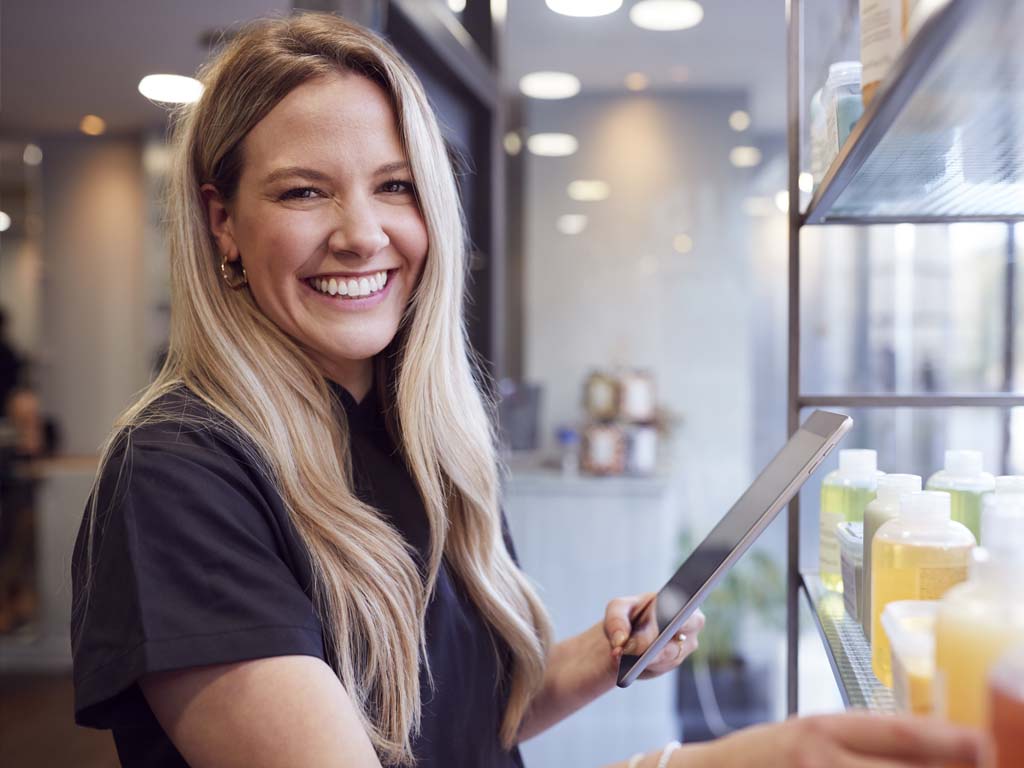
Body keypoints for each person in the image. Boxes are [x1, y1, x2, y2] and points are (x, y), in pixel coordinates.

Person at [69, 13, 985, 768]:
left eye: (396, 186)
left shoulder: (418, 431)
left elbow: (457, 725)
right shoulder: (178, 475)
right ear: (222, 221)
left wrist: (599, 654)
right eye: (305, 193)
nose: (362, 233)